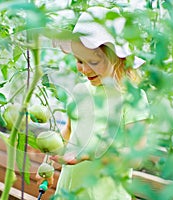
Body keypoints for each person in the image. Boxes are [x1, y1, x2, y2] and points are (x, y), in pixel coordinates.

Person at [36, 6, 150, 200]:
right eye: (79, 60)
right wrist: (50, 163)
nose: (84, 69)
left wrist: (90, 154)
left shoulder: (133, 98)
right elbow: (69, 134)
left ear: (117, 58)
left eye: (94, 62)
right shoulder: (80, 91)